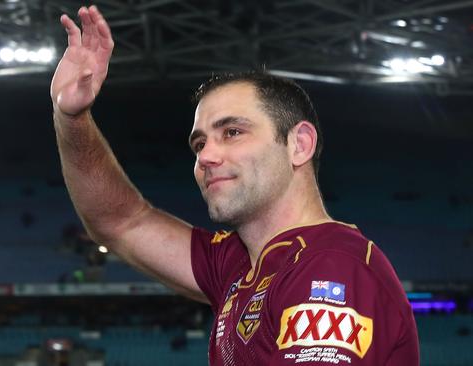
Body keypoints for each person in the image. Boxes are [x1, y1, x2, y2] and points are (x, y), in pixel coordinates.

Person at [50, 5, 419, 365]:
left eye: (232, 132)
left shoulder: (329, 265)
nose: (206, 156)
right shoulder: (239, 264)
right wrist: (72, 117)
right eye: (199, 143)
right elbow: (120, 222)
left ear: (299, 144)